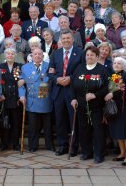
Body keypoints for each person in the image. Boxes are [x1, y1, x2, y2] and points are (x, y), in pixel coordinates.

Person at [49, 29, 84, 157]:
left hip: (72, 92)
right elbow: (50, 72)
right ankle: (62, 145)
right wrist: (57, 79)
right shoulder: (55, 54)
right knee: (60, 120)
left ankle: (73, 147)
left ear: (73, 39)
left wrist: (70, 78)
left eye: (68, 38)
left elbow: (82, 71)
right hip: (58, 92)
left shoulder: (80, 53)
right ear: (60, 40)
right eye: (63, 39)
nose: (66, 41)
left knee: (73, 120)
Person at [70, 46, 108, 164]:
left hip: (97, 106)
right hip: (81, 106)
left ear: (97, 56)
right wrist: (73, 99)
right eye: (87, 55)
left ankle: (99, 154)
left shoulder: (102, 70)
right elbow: (72, 85)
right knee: (84, 130)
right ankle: (86, 152)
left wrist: (95, 95)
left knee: (98, 131)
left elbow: (107, 87)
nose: (89, 57)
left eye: (92, 55)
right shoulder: (79, 68)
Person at [18, 48, 54, 152]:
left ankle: (49, 145)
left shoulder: (49, 66)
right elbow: (21, 85)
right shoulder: (25, 67)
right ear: (31, 56)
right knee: (33, 125)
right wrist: (21, 96)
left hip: (45, 98)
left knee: (48, 126)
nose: (37, 56)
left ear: (43, 56)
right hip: (31, 99)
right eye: (35, 54)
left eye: (39, 54)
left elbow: (50, 80)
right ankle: (33, 146)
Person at [105, 57, 126, 166]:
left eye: (119, 63)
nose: (116, 65)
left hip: (124, 107)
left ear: (124, 66)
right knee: (118, 131)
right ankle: (122, 153)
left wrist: (113, 94)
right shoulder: (112, 75)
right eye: (115, 63)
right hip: (114, 107)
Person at [0, 48, 22, 151]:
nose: (10, 55)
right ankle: (4, 143)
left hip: (15, 98)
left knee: (16, 122)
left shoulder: (20, 66)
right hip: (4, 98)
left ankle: (16, 143)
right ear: (5, 56)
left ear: (15, 55)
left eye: (12, 54)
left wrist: (19, 97)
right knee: (5, 122)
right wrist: (0, 94)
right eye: (8, 54)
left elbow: (20, 83)